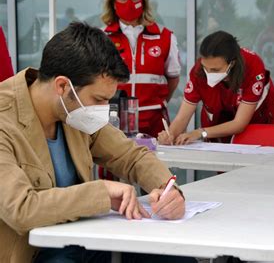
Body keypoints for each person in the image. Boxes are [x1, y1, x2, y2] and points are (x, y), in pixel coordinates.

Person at [0, 23, 186, 262]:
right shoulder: (5, 120)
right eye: (99, 99)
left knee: (171, 257)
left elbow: (131, 156)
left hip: (82, 240)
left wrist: (168, 189)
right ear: (62, 86)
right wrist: (102, 192)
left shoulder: (74, 110)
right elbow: (21, 209)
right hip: (32, 254)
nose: (103, 110)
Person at [158, 30, 274, 145]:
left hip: (255, 126)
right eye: (205, 67)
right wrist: (170, 135)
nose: (209, 73)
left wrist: (200, 132)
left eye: (215, 69)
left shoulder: (253, 67)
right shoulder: (198, 70)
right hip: (216, 125)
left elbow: (239, 123)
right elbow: (182, 116)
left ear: (232, 63)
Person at [102, 0, 181, 137]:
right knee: (113, 162)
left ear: (143, 1)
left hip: (154, 122)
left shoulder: (164, 36)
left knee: (154, 162)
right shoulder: (102, 37)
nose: (129, 3)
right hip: (114, 121)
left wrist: (159, 102)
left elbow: (173, 78)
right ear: (113, 3)